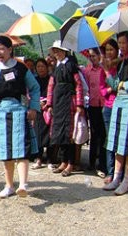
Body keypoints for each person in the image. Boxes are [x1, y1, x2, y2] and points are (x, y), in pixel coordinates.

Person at [0, 35, 40, 198]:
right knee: (5, 151)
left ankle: (23, 184)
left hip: (19, 111)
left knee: (21, 149)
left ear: (10, 49)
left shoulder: (21, 68)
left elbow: (35, 88)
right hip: (1, 113)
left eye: (2, 49)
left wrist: (33, 108)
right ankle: (9, 185)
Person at [103, 31, 128, 195]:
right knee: (117, 142)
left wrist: (124, 85)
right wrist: (106, 72)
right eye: (119, 43)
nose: (121, 46)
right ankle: (116, 178)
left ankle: (126, 180)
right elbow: (116, 83)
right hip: (118, 102)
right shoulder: (120, 62)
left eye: (124, 43)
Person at [46, 40, 84, 177]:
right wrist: (49, 104)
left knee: (69, 134)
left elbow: (79, 85)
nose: (56, 53)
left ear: (64, 51)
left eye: (58, 50)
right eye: (54, 51)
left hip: (69, 102)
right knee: (59, 134)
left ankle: (70, 163)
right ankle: (62, 161)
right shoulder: (56, 67)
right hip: (58, 103)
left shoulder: (71, 66)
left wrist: (79, 104)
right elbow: (51, 86)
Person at [83, 48, 107, 178]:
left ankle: (102, 164)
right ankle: (92, 162)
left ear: (100, 55)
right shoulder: (87, 71)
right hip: (92, 105)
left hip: (104, 105)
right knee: (94, 134)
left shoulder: (104, 69)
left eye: (94, 56)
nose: (92, 58)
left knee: (103, 135)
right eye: (90, 56)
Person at [101, 39, 119, 185]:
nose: (109, 52)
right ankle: (110, 171)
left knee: (121, 141)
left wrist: (113, 85)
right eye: (107, 50)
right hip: (107, 107)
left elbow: (118, 85)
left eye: (111, 49)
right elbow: (102, 88)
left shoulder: (121, 66)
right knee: (110, 140)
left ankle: (120, 173)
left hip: (120, 107)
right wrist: (109, 89)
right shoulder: (104, 68)